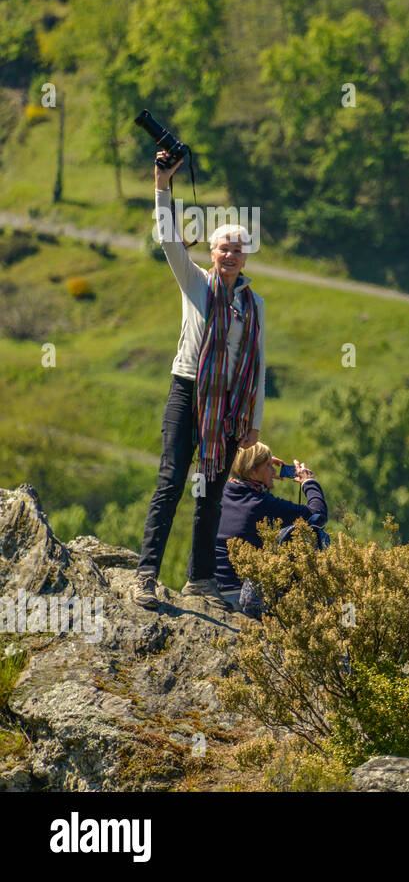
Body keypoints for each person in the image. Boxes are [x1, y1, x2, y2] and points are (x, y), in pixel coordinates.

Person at [131, 151, 266, 611]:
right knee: (171, 482)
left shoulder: (255, 305)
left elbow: (259, 365)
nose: (229, 254)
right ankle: (146, 576)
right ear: (212, 253)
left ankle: (200, 580)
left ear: (246, 256)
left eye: (237, 249)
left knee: (209, 491)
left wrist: (253, 422)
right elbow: (169, 238)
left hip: (228, 408)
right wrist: (161, 183)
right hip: (186, 391)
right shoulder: (194, 282)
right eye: (222, 247)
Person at [213, 443, 327, 613]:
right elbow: (317, 514)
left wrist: (261, 469)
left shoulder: (222, 492)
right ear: (252, 471)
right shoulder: (261, 504)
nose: (273, 471)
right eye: (268, 466)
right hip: (241, 596)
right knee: (314, 535)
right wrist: (309, 482)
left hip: (216, 589)